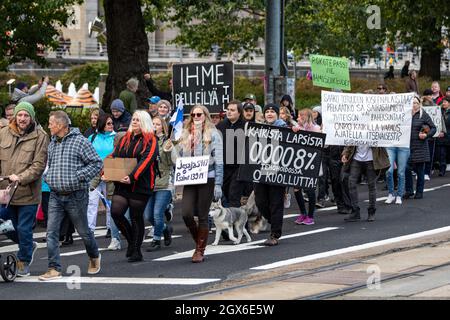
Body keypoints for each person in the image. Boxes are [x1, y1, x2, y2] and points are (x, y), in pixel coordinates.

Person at [39, 111, 103, 281]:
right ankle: (54, 268)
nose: (49, 126)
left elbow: (97, 163)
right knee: (51, 232)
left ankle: (94, 255)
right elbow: (50, 165)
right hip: (55, 195)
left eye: (51, 123)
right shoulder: (52, 143)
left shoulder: (80, 141)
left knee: (84, 232)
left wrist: (79, 176)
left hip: (76, 195)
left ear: (61, 125)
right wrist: (49, 176)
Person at [0, 102, 48, 276]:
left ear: (31, 117)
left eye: (26, 115)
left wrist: (21, 178)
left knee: (23, 228)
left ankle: (24, 261)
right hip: (6, 193)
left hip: (28, 193)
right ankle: (28, 245)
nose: (22, 118)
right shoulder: (3, 133)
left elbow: (39, 165)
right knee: (6, 226)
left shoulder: (41, 136)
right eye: (20, 115)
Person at [170, 105, 223, 262]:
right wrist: (170, 148)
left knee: (202, 214)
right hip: (190, 178)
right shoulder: (185, 134)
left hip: (208, 177)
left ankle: (200, 250)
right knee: (186, 213)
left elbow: (219, 161)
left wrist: (218, 184)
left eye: (199, 114)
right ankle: (199, 242)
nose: (196, 116)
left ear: (205, 115)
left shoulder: (214, 134)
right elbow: (177, 160)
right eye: (193, 114)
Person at [110, 110, 159, 262]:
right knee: (116, 212)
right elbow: (114, 155)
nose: (134, 122)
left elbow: (146, 160)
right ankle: (132, 241)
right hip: (122, 183)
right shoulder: (126, 138)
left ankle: (136, 250)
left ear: (144, 122)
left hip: (140, 184)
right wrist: (106, 170)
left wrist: (132, 177)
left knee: (135, 216)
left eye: (138, 119)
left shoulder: (151, 139)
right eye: (133, 119)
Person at [254, 103, 287, 245]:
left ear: (277, 114)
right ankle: (274, 221)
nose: (269, 113)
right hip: (261, 170)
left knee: (276, 203)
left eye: (272, 111)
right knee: (260, 201)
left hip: (277, 170)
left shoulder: (285, 128)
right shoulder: (258, 128)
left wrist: (296, 130)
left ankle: (275, 234)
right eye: (267, 111)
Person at [86, 114, 119, 250]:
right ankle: (90, 230)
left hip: (111, 171)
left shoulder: (116, 137)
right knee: (91, 201)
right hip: (95, 172)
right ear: (101, 125)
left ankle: (111, 228)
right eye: (108, 124)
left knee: (110, 202)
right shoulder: (92, 137)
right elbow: (86, 154)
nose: (111, 126)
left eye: (112, 123)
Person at [144, 116, 174, 252]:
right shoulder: (147, 141)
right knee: (148, 216)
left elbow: (171, 162)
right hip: (149, 182)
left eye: (157, 124)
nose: (155, 126)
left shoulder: (167, 141)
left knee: (157, 213)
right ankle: (165, 229)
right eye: (153, 124)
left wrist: (168, 152)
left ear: (162, 126)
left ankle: (156, 240)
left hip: (164, 182)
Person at [341, 144, 390, 222]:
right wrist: (345, 153)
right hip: (356, 159)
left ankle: (371, 211)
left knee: (372, 185)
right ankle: (355, 211)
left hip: (371, 160)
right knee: (351, 184)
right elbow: (350, 139)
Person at [404, 96, 437, 199]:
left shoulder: (423, 114)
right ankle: (409, 191)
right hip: (408, 147)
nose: (414, 105)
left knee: (419, 171)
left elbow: (433, 128)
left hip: (420, 146)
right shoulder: (406, 114)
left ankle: (419, 192)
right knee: (406, 169)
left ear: (419, 104)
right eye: (412, 103)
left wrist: (426, 135)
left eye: (415, 103)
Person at [292, 109, 321, 225]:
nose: (298, 117)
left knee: (309, 189)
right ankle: (303, 213)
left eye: (301, 116)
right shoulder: (297, 127)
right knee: (297, 188)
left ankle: (310, 216)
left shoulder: (316, 128)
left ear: (307, 117)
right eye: (298, 115)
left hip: (310, 163)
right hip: (298, 163)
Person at [216, 101, 246, 208]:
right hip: (224, 167)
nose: (229, 112)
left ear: (239, 112)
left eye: (232, 110)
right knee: (225, 196)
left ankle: (237, 223)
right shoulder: (221, 125)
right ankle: (235, 221)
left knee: (234, 196)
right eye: (228, 109)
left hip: (239, 167)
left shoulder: (246, 126)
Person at [436, 98, 450, 176]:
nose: (443, 103)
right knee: (442, 154)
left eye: (445, 102)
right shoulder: (439, 112)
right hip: (441, 137)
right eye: (442, 102)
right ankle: (442, 170)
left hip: (448, 136)